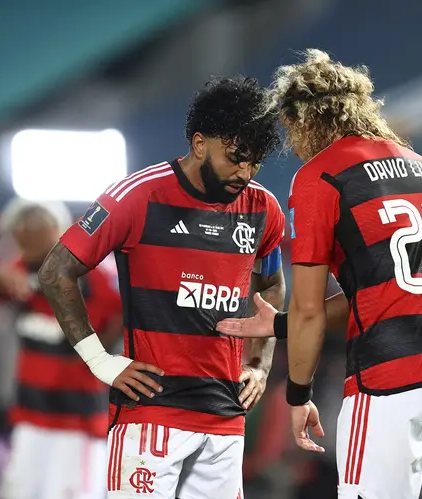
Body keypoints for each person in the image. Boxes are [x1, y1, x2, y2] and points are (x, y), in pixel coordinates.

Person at [217, 50, 422, 499]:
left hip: (389, 382)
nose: (293, 145)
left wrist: (297, 396)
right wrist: (280, 323)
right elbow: (381, 292)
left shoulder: (322, 175)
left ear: (304, 119)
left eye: (291, 129)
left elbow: (311, 310)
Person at [37, 76, 286, 499]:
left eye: (255, 162)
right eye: (236, 158)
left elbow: (273, 284)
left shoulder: (263, 209)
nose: (245, 173)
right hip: (151, 412)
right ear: (200, 143)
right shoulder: (137, 196)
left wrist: (259, 365)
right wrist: (101, 362)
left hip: (226, 419)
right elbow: (55, 271)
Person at [0, 198, 124, 499]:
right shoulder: (21, 269)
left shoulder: (92, 273)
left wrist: (96, 352)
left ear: (55, 229)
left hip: (77, 420)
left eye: (29, 232)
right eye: (18, 234)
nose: (21, 241)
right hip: (30, 414)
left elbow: (125, 310)